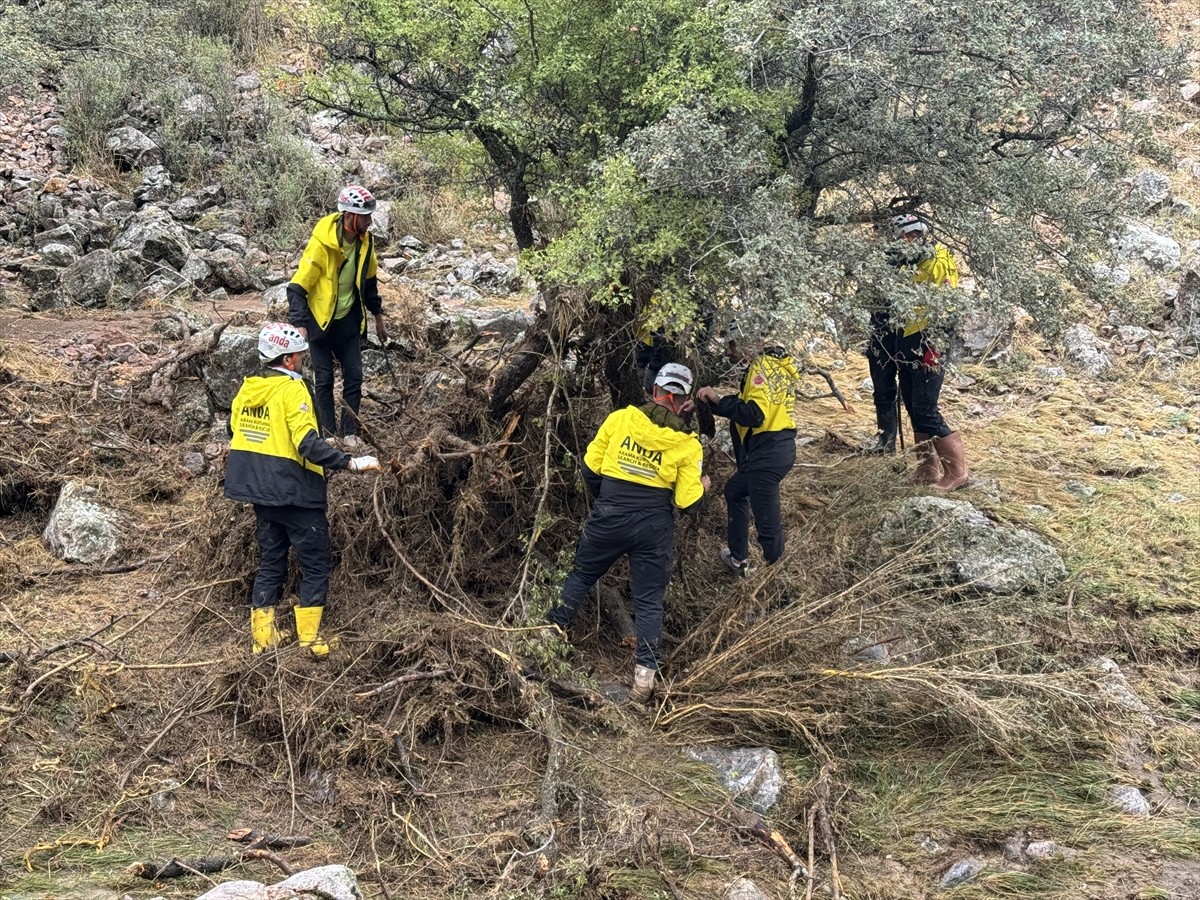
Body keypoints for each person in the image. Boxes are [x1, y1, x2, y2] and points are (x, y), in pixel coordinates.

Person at [547, 363, 710, 703]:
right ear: (683, 402)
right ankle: (643, 684)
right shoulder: (687, 443)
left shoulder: (620, 419)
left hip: (610, 513)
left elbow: (590, 468)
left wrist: (608, 501)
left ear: (654, 391)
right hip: (653, 525)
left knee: (580, 576)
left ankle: (543, 639)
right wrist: (704, 487)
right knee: (649, 601)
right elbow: (687, 503)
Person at [225, 323, 381, 656]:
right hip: (296, 494)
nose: (302, 361)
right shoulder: (293, 390)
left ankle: (262, 639)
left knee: (271, 562)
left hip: (261, 494)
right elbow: (307, 445)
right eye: (300, 356)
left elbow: (235, 430)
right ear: (291, 359)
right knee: (316, 564)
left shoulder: (247, 391)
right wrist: (351, 462)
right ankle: (310, 640)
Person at [865, 213, 969, 491]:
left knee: (925, 408)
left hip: (928, 342)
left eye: (902, 238)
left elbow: (946, 309)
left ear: (913, 236)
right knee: (912, 405)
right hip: (908, 338)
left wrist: (933, 348)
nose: (899, 244)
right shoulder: (908, 261)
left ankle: (957, 471)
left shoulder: (937, 262)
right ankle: (926, 467)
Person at [287, 184, 388, 447]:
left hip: (349, 321)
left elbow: (369, 282)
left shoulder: (366, 243)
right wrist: (300, 325)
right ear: (349, 217)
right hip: (320, 322)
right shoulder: (321, 244)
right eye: (365, 216)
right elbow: (297, 287)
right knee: (325, 379)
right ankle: (329, 435)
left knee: (354, 376)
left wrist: (377, 317)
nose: (369, 221)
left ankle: (349, 431)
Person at [697, 324, 798, 578]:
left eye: (731, 346)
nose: (729, 354)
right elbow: (751, 406)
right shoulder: (776, 367)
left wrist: (720, 402)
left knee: (768, 526)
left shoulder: (761, 368)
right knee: (734, 490)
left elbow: (755, 414)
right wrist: (720, 404)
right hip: (777, 450)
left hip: (767, 454)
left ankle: (776, 582)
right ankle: (738, 558)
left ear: (746, 342)